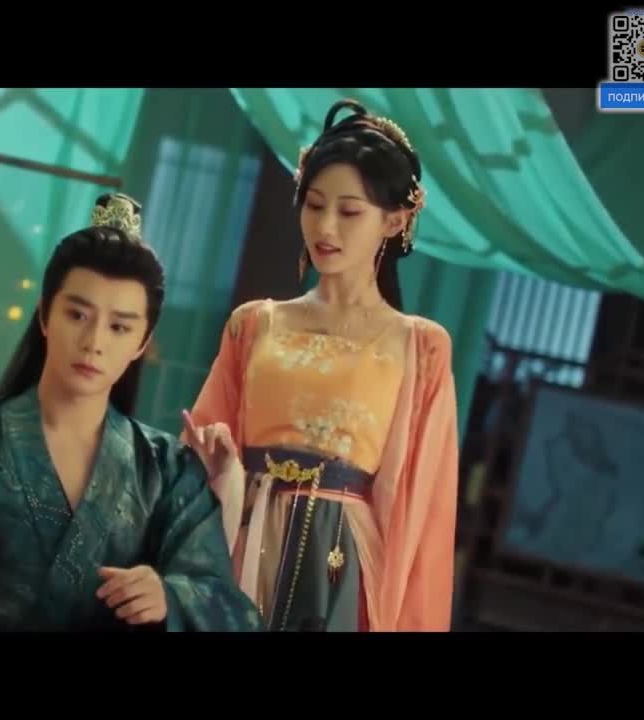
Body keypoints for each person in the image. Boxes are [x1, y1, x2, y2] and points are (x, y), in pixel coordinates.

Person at [0, 193, 262, 632]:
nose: (94, 342)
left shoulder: (169, 474)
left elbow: (231, 613)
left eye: (119, 326)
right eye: (78, 315)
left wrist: (170, 598)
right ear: (45, 315)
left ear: (141, 342)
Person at [185, 100, 459, 632]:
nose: (325, 226)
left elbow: (424, 510)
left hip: (341, 558)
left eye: (349, 212)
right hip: (242, 537)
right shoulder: (254, 324)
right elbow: (199, 452)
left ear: (395, 220)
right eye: (313, 205)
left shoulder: (420, 345)